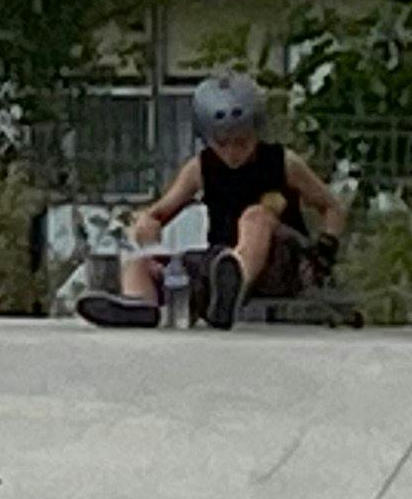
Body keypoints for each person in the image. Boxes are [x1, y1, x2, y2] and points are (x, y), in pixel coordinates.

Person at [78, 70, 344, 330]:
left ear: (256, 131)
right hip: (220, 263)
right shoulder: (199, 168)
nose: (232, 152)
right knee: (142, 265)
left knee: (256, 216)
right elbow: (159, 213)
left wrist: (325, 249)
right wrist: (147, 222)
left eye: (242, 142)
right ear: (207, 138)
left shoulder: (282, 162)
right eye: (222, 143)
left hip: (282, 262)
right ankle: (141, 305)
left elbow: (331, 207)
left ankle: (235, 285)